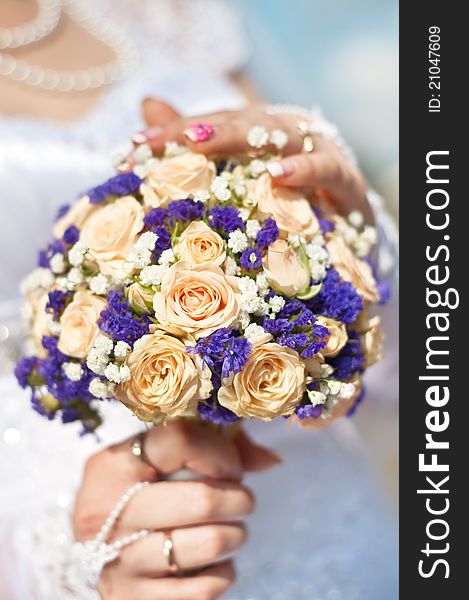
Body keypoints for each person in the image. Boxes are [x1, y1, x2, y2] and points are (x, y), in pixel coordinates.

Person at [0, 1, 398, 598]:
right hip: (104, 528)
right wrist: (61, 558)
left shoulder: (167, 10)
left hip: (333, 515)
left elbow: (399, 382)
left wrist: (356, 234)